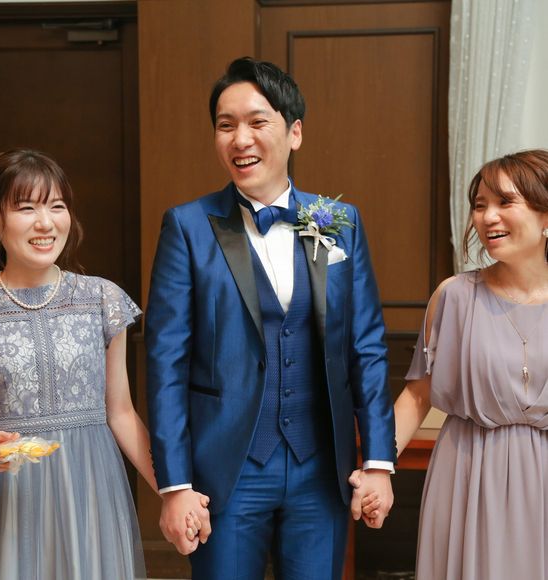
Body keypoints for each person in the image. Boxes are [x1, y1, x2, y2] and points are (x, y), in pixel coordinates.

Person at [145, 56, 396, 580]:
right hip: (226, 473)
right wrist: (174, 485)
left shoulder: (339, 222)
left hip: (320, 471)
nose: (241, 139)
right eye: (226, 125)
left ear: (294, 132)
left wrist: (377, 462)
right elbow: (165, 362)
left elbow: (367, 347)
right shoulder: (188, 227)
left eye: (257, 122)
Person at [0, 149, 205, 580]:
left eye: (56, 206)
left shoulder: (101, 298)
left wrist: (174, 493)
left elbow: (121, 413)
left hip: (91, 491)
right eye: (26, 208)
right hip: (7, 497)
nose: (45, 223)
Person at [364, 149, 548, 579]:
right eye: (480, 205)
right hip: (467, 474)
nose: (487, 217)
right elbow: (417, 396)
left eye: (505, 202)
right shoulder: (454, 297)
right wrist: (377, 468)